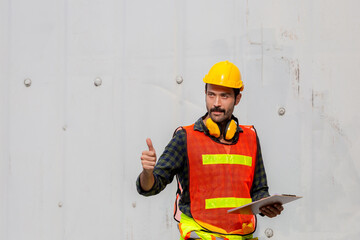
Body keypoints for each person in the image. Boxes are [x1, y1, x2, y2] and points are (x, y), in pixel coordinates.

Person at [136, 61, 283, 240]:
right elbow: (150, 187)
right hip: (200, 234)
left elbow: (259, 190)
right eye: (211, 95)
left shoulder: (250, 138)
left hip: (240, 236)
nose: (216, 103)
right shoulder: (185, 138)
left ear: (237, 98)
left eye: (224, 96)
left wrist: (266, 206)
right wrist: (147, 172)